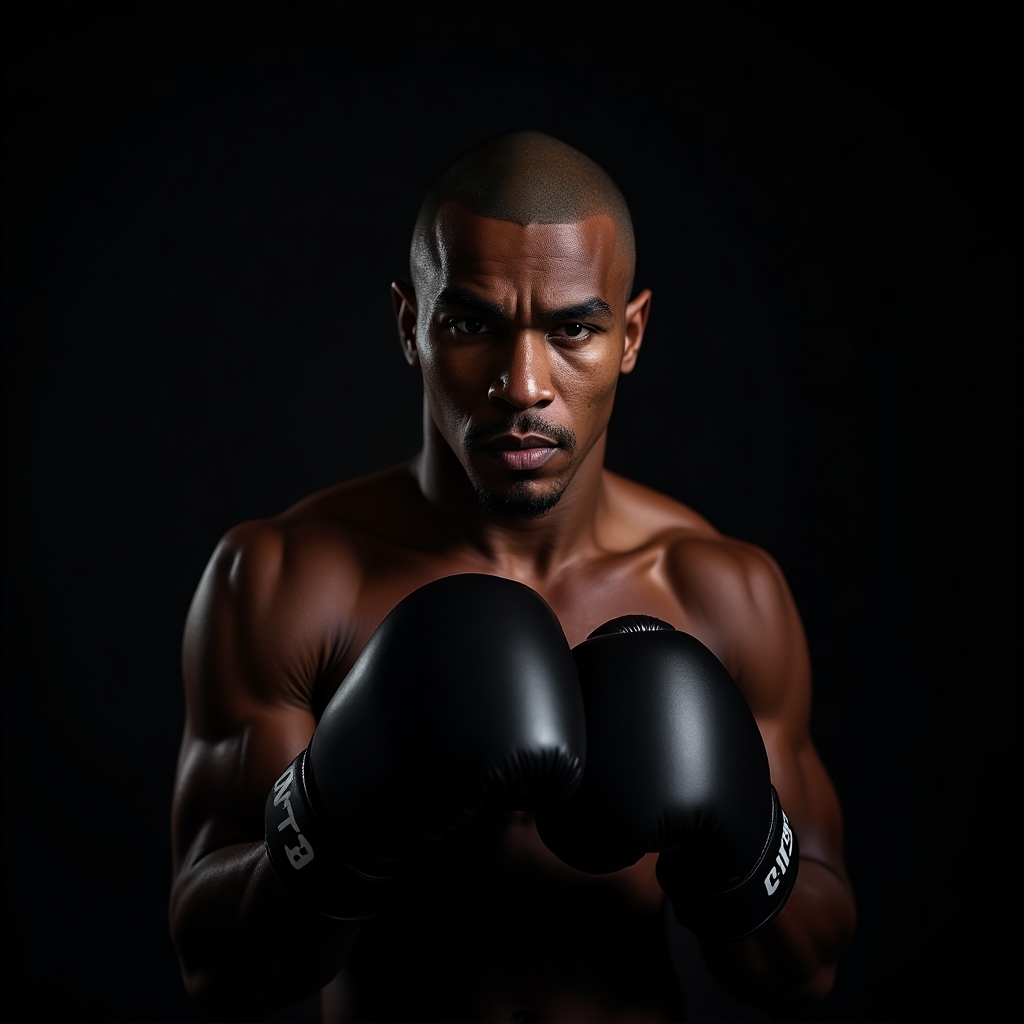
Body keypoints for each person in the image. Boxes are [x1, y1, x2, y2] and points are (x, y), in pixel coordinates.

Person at [169, 131, 856, 1023]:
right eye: (471, 324)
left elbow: (806, 972)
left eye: (572, 328)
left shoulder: (723, 594)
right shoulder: (282, 582)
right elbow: (215, 970)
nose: (522, 383)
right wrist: (339, 824)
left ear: (632, 335)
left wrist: (740, 838)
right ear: (410, 326)